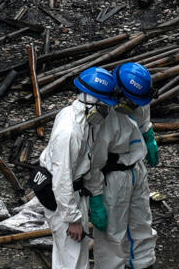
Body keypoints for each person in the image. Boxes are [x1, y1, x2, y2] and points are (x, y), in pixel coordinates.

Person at [33, 67, 119, 269]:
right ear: (92, 101)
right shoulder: (70, 132)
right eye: (104, 104)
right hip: (63, 194)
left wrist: (95, 194)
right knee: (70, 259)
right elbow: (61, 178)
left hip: (73, 192)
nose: (107, 109)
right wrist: (72, 218)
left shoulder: (83, 120)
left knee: (73, 253)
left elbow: (89, 161)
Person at [84, 63, 159, 269]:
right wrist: (96, 196)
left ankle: (143, 264)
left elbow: (143, 116)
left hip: (136, 168)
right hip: (112, 176)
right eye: (131, 103)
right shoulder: (100, 113)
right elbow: (93, 163)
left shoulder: (138, 96)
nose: (135, 107)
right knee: (112, 233)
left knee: (141, 222)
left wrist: (148, 136)